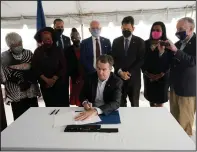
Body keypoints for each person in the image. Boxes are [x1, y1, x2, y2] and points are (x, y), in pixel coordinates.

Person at [166, 17, 196, 136]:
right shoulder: (178, 43)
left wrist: (176, 51)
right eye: (177, 29)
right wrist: (163, 51)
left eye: (181, 29)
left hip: (187, 89)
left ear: (191, 29)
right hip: (174, 87)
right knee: (174, 120)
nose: (178, 32)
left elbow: (192, 61)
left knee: (185, 123)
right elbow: (171, 62)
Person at [1, 32, 40, 120]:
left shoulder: (28, 53)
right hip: (16, 94)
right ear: (9, 45)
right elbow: (4, 74)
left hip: (30, 91)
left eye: (20, 43)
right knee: (19, 118)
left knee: (35, 118)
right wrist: (19, 82)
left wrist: (29, 81)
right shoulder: (4, 56)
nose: (18, 46)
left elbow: (35, 69)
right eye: (15, 45)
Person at [75, 55, 123, 121]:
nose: (100, 72)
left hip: (106, 111)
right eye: (98, 68)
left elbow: (116, 103)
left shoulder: (117, 81)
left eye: (104, 69)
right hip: (89, 110)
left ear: (110, 69)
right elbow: (82, 95)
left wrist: (96, 111)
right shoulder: (89, 78)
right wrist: (85, 102)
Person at [112, 16, 146, 107]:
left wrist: (128, 72)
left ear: (133, 28)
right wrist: (120, 72)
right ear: (121, 28)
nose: (126, 30)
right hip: (119, 78)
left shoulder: (140, 42)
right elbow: (113, 59)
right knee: (120, 104)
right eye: (124, 28)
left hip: (134, 79)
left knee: (135, 104)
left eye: (128, 29)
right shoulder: (116, 41)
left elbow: (141, 60)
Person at [32, 27, 69, 107]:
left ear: (52, 38)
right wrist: (46, 80)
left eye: (49, 37)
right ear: (41, 39)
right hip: (45, 85)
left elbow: (64, 67)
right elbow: (35, 68)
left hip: (60, 84)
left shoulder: (59, 50)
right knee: (50, 108)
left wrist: (53, 79)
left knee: (63, 108)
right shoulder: (37, 51)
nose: (47, 39)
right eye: (45, 38)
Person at [142, 21, 173, 107]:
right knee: (151, 101)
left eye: (158, 30)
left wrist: (160, 75)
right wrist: (148, 74)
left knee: (160, 104)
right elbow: (141, 60)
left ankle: (160, 119)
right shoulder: (145, 44)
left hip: (162, 79)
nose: (155, 32)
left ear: (163, 31)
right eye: (153, 30)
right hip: (149, 77)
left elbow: (170, 62)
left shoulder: (167, 44)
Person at [67, 28, 84, 106]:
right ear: (71, 39)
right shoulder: (67, 50)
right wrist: (74, 76)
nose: (75, 39)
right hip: (74, 77)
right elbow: (67, 64)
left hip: (84, 75)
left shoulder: (85, 47)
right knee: (77, 96)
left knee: (85, 95)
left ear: (80, 37)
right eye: (73, 38)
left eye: (77, 37)